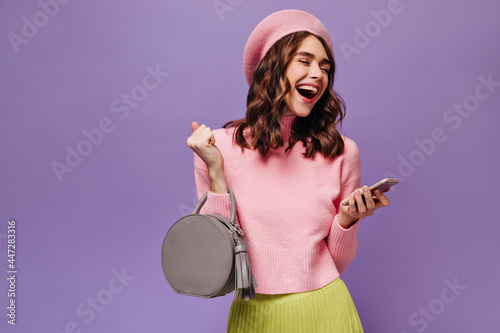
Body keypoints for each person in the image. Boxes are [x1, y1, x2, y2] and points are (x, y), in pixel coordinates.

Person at [186, 9, 391, 333]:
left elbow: (335, 263)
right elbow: (218, 260)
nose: (318, 74)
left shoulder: (341, 152)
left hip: (327, 310)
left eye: (325, 67)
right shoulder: (217, 149)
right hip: (254, 314)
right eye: (305, 61)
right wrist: (216, 172)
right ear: (271, 67)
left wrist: (347, 220)